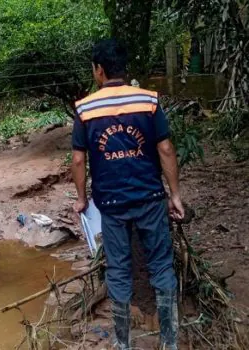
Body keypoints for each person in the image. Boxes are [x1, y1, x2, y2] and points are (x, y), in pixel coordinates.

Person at [71, 38, 184, 350]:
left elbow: (79, 159)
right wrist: (174, 195)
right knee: (161, 266)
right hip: (150, 198)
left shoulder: (85, 109)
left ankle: (123, 345)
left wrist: (81, 199)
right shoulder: (148, 100)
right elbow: (165, 148)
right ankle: (169, 343)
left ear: (99, 70)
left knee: (119, 271)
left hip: (111, 204)